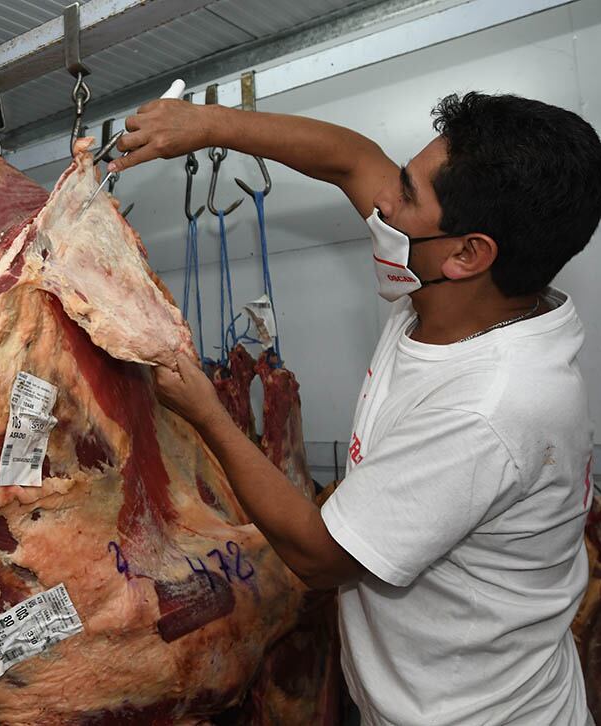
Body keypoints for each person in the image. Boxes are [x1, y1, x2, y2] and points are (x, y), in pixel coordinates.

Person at [112, 91, 601, 724]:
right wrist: (207, 125)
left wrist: (206, 414)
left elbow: (320, 557)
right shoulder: (457, 292)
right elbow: (351, 158)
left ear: (467, 254)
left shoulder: (491, 408)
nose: (382, 205)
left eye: (405, 196)